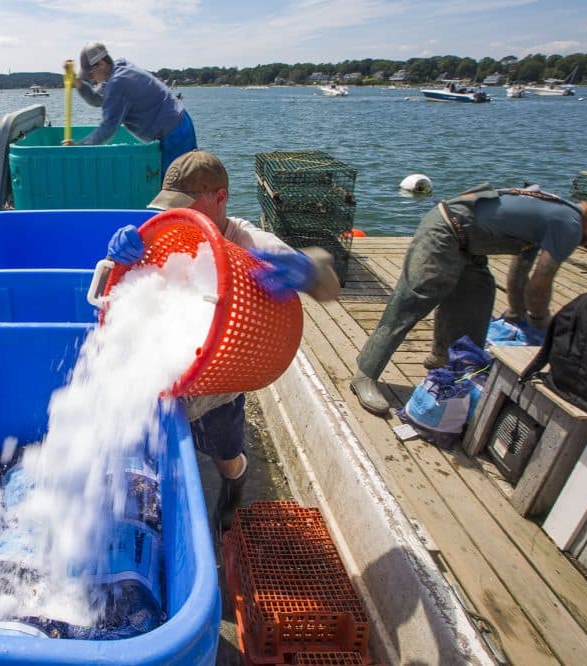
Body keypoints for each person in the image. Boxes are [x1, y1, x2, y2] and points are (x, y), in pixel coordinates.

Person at [105, 150, 341, 531]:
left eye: (190, 206)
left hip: (219, 384)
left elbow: (331, 288)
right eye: (172, 207)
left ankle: (233, 489)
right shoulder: (168, 232)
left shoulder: (247, 239)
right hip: (164, 371)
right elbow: (121, 292)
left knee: (226, 456)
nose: (183, 216)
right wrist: (118, 256)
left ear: (221, 197)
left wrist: (310, 269)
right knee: (147, 444)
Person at [349, 184, 587, 416]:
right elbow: (541, 283)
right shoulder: (570, 224)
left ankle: (442, 361)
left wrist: (519, 316)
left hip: (469, 246)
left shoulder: (557, 214)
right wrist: (544, 324)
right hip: (445, 231)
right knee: (411, 302)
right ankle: (365, 373)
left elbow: (520, 275)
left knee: (477, 304)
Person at [65, 42, 197, 174]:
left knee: (176, 186)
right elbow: (97, 99)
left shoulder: (117, 83)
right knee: (187, 181)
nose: (91, 79)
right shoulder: (118, 66)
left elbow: (107, 129)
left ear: (101, 63)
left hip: (174, 134)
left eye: (91, 74)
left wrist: (79, 147)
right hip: (181, 122)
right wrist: (78, 82)